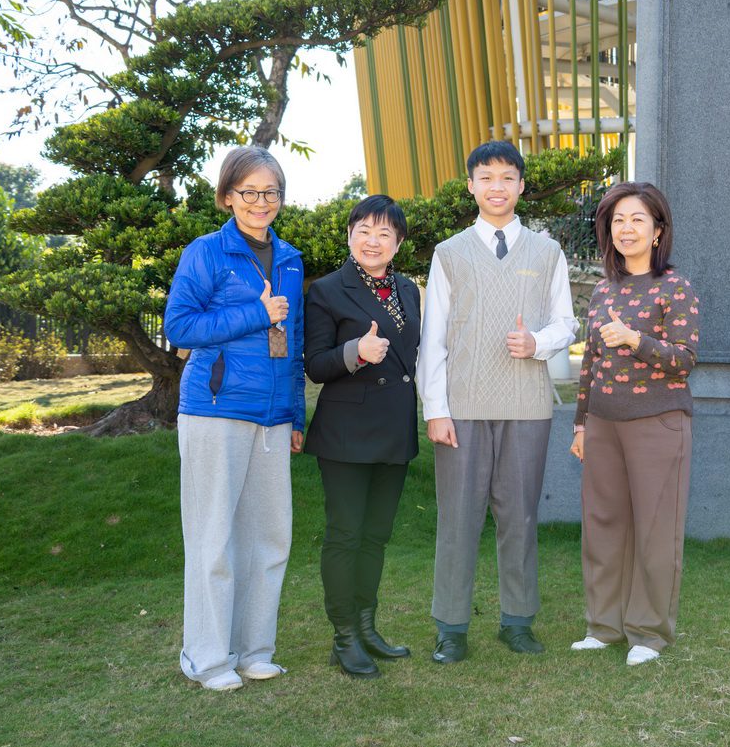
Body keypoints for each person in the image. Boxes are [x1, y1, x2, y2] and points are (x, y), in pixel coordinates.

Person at [418, 140, 578, 663]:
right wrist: (435, 409)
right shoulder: (449, 253)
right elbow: (433, 338)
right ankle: (451, 627)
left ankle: (518, 621)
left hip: (527, 405)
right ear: (471, 186)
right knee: (458, 520)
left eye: (507, 177)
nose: (497, 186)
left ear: (521, 186)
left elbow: (566, 322)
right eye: (486, 177)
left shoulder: (547, 252)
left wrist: (538, 343)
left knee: (521, 518)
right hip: (462, 406)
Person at [164, 146, 305, 692]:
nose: (260, 202)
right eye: (249, 192)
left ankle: (253, 652)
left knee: (269, 538)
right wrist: (255, 313)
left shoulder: (289, 259)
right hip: (215, 410)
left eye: (271, 192)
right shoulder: (206, 252)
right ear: (227, 196)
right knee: (214, 538)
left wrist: (294, 414)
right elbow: (179, 327)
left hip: (272, 417)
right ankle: (206, 658)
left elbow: (291, 343)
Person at [568, 181, 699, 666]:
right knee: (603, 524)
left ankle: (648, 632)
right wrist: (581, 424)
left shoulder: (676, 287)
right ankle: (603, 626)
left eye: (637, 219)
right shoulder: (603, 289)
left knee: (655, 528)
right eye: (617, 220)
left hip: (657, 422)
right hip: (603, 423)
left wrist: (634, 339)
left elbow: (685, 359)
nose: (626, 229)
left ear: (657, 229)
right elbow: (590, 363)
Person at [303, 195, 420, 679]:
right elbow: (315, 364)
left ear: (398, 243)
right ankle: (344, 635)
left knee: (376, 536)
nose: (374, 241)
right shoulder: (327, 290)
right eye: (364, 231)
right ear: (349, 235)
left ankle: (368, 627)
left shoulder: (409, 289)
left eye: (384, 233)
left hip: (394, 427)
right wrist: (355, 350)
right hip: (346, 434)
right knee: (346, 534)